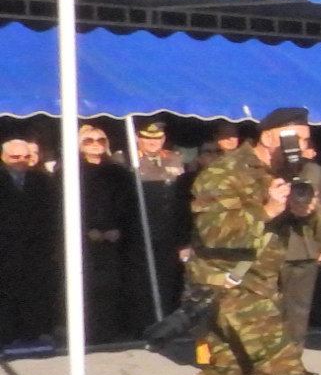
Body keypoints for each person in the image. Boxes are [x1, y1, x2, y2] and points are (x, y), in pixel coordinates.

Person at [110, 107, 321, 375]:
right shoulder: (224, 172)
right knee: (283, 365)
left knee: (226, 374)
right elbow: (212, 230)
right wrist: (268, 209)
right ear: (272, 136)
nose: (305, 147)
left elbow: (319, 223)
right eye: (298, 139)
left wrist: (304, 212)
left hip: (260, 283)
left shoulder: (291, 173)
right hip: (230, 286)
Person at [73, 126, 139, 344]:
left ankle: (111, 330)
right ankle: (87, 331)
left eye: (101, 140)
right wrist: (85, 229)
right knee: (85, 285)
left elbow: (129, 205)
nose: (95, 144)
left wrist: (119, 228)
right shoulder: (71, 171)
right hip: (82, 238)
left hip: (114, 236)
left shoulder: (118, 172)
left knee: (113, 285)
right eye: (89, 140)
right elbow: (63, 206)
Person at [275, 139, 321, 365]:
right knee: (270, 310)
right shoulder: (270, 169)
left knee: (299, 311)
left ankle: (293, 362)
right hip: (274, 246)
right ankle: (267, 362)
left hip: (306, 247)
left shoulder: (314, 171)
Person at [128, 118, 188, 326]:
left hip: (169, 231)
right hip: (138, 231)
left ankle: (168, 322)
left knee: (169, 279)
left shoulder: (175, 159)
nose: (153, 142)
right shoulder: (126, 160)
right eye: (147, 138)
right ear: (138, 138)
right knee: (139, 281)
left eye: (158, 138)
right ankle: (142, 324)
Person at [0, 138, 57, 346]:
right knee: (6, 291)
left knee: (35, 291)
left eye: (26, 157)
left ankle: (35, 331)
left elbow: (50, 212)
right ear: (3, 158)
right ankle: (7, 333)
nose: (21, 161)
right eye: (15, 157)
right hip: (5, 247)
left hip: (35, 247)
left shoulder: (40, 180)